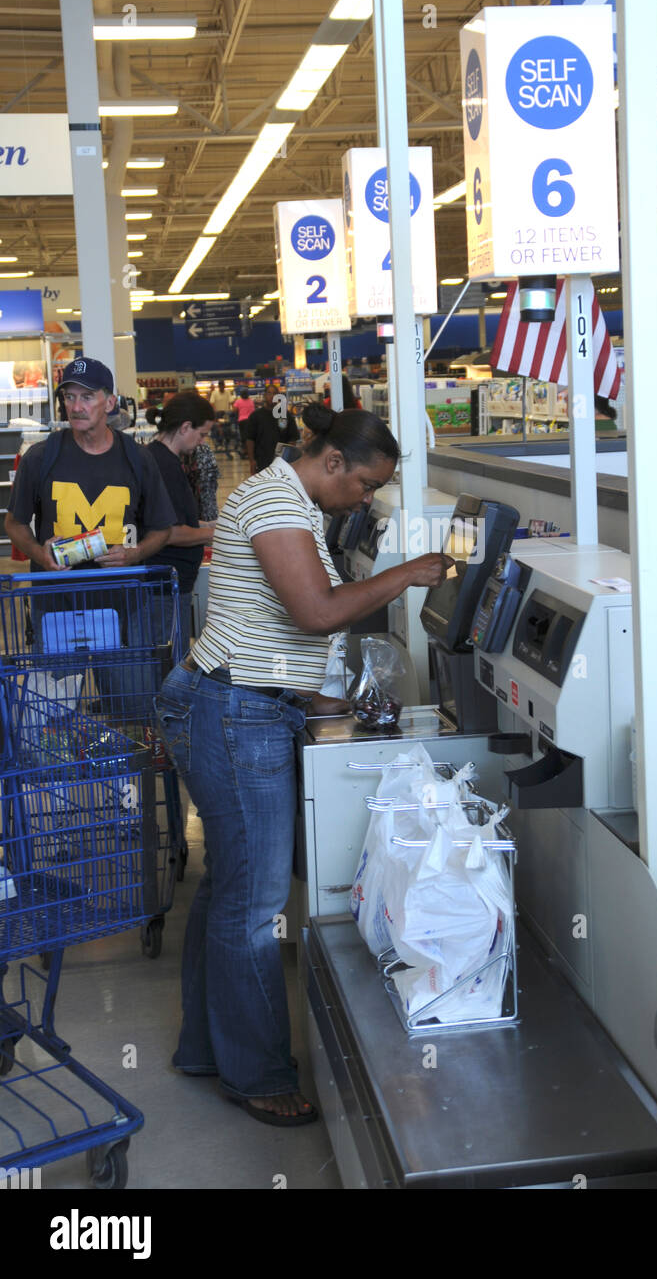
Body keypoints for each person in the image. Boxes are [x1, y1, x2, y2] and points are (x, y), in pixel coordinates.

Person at [154, 403, 451, 1126]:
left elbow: (280, 628)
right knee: (254, 910)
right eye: (366, 486)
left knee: (231, 888)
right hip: (229, 714)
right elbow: (317, 612)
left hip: (243, 707)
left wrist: (321, 706)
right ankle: (256, 1074)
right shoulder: (270, 501)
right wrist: (408, 572)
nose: (367, 500)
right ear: (332, 463)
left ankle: (205, 1048)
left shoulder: (292, 503)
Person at [6, 356, 173, 574]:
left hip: (123, 597)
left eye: (87, 397)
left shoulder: (138, 458)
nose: (76, 407)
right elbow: (14, 523)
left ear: (110, 403)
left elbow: (162, 528)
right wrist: (40, 555)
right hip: (56, 598)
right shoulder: (39, 457)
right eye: (69, 397)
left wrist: (135, 553)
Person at [146, 393, 217, 655]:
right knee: (168, 661)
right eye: (202, 434)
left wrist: (205, 524)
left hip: (170, 583)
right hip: (165, 586)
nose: (202, 442)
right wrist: (212, 533)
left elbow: (175, 517)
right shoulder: (163, 465)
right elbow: (170, 532)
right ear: (185, 427)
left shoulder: (163, 460)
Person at [244, 383, 299, 475]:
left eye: (275, 394)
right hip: (261, 462)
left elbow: (292, 439)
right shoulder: (256, 416)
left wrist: (288, 459)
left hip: (281, 464)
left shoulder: (286, 415)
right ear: (265, 395)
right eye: (269, 393)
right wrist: (252, 461)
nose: (272, 396)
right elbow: (250, 439)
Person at [208, 379, 234, 458]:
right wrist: (214, 414)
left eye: (223, 386)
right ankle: (219, 443)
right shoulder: (214, 393)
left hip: (226, 414)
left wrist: (232, 408)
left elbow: (231, 401)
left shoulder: (227, 392)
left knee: (227, 429)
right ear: (219, 386)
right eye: (221, 386)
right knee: (218, 429)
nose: (222, 388)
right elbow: (212, 403)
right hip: (218, 414)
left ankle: (226, 443)